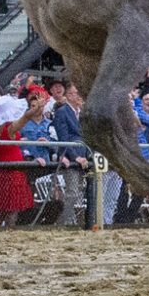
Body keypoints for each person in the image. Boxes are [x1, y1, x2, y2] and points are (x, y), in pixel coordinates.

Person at [0, 91, 46, 228]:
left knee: (1, 206)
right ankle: (9, 229)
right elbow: (25, 117)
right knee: (13, 206)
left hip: (0, 166)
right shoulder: (10, 128)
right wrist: (35, 109)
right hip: (12, 169)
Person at [52, 83, 88, 225]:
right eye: (77, 93)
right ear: (69, 95)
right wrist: (75, 157)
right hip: (72, 157)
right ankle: (64, 222)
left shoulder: (82, 113)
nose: (80, 96)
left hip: (84, 156)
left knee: (78, 192)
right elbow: (63, 138)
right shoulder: (62, 112)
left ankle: (69, 220)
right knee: (72, 192)